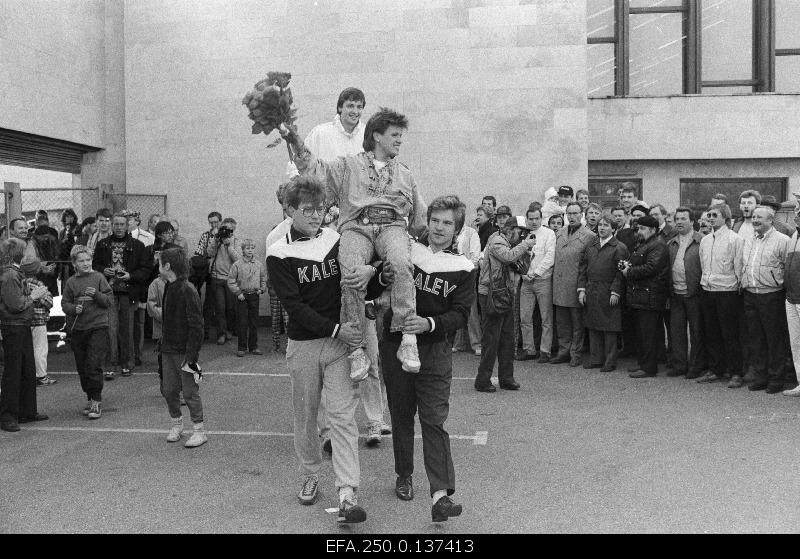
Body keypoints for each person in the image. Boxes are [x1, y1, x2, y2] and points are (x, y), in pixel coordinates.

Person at [288, 108, 428, 380]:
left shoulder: (405, 173)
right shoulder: (348, 165)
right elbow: (316, 170)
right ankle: (355, 348)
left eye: (401, 136)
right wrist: (293, 139)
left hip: (392, 227)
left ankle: (408, 338)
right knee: (351, 271)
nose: (400, 140)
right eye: (395, 135)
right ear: (376, 135)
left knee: (401, 262)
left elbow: (420, 216)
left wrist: (435, 242)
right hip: (356, 228)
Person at [266, 176, 373, 524]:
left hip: (340, 345)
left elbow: (361, 272)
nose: (316, 216)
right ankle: (310, 473)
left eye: (320, 209)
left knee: (342, 417)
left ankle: (347, 492)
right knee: (307, 414)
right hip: (304, 344)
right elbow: (293, 307)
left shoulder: (335, 239)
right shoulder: (278, 249)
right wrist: (338, 328)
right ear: (289, 210)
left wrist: (371, 269)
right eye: (307, 210)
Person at [372, 194, 475, 522]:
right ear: (427, 221)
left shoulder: (463, 267)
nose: (440, 228)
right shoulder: (405, 250)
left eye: (447, 223)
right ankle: (404, 474)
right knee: (401, 415)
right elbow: (372, 289)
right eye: (435, 220)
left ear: (457, 228)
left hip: (434, 351)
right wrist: (383, 278)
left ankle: (441, 494)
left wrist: (429, 323)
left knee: (433, 419)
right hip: (395, 342)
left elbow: (460, 314)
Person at [474, 216, 536, 392]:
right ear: (510, 229)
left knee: (507, 339)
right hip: (490, 294)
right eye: (521, 232)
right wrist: (525, 246)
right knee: (491, 339)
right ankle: (482, 380)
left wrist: (528, 252)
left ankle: (506, 378)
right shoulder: (496, 241)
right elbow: (508, 258)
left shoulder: (512, 244)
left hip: (505, 294)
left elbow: (522, 269)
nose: (523, 236)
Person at [92, 213, 152, 378]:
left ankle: (127, 363)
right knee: (110, 329)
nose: (119, 227)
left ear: (128, 226)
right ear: (112, 225)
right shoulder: (102, 244)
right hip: (108, 293)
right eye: (116, 224)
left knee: (127, 330)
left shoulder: (138, 245)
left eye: (122, 224)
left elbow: (145, 269)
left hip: (128, 293)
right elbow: (95, 264)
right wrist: (103, 270)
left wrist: (130, 276)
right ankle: (110, 365)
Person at [158, 247, 207, 448]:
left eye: (160, 262)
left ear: (167, 266)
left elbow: (197, 324)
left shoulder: (187, 288)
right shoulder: (169, 286)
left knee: (189, 392)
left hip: (184, 351)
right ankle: (177, 424)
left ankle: (198, 431)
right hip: (168, 349)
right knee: (168, 390)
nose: (158, 265)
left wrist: (191, 355)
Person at [0, 238, 50, 432]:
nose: (29, 253)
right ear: (18, 253)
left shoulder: (14, 272)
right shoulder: (10, 275)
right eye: (26, 250)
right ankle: (8, 415)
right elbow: (15, 304)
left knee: (27, 369)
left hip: (21, 324)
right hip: (13, 325)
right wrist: (34, 296)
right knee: (14, 371)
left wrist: (30, 292)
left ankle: (26, 410)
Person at [741, 205, 789, 393]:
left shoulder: (782, 240)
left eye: (760, 217)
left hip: (772, 296)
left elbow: (788, 266)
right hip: (751, 295)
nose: (755, 220)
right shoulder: (749, 240)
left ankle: (776, 378)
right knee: (756, 339)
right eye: (754, 217)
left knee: (774, 339)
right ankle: (761, 376)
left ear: (771, 220)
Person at [61, 245, 112, 419]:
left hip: (98, 326)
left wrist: (97, 295)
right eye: (81, 260)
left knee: (93, 364)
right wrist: (74, 308)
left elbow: (108, 301)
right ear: (74, 263)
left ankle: (97, 401)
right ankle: (89, 397)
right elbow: (64, 304)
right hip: (78, 329)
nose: (85, 263)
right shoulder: (71, 282)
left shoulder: (99, 277)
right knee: (82, 367)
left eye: (88, 260)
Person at [696, 203, 744, 384]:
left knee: (730, 334)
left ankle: (736, 372)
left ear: (725, 217)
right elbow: (703, 265)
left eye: (714, 215)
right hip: (707, 291)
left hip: (727, 292)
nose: (710, 218)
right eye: (709, 215)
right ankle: (716, 369)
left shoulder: (735, 240)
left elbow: (739, 266)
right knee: (712, 332)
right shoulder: (705, 240)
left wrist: (737, 288)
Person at [578, 215, 628, 371]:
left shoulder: (619, 247)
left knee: (609, 327)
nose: (602, 228)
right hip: (592, 289)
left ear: (613, 229)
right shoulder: (591, 245)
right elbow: (583, 268)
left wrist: (615, 292)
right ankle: (596, 359)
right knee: (593, 325)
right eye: (600, 225)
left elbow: (621, 273)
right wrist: (581, 289)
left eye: (606, 225)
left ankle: (610, 361)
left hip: (608, 290)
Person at [621, 215, 669, 379]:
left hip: (650, 296)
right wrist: (628, 265)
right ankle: (643, 364)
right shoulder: (645, 244)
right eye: (638, 228)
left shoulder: (658, 245)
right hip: (641, 295)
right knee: (642, 334)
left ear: (653, 230)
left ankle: (649, 368)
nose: (638, 231)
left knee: (648, 334)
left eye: (642, 229)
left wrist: (629, 272)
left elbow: (651, 268)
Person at [551, 202, 596, 367]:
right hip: (559, 283)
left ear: (581, 214)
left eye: (575, 213)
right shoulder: (559, 233)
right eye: (569, 213)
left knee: (577, 323)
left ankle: (575, 353)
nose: (571, 216)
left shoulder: (589, 235)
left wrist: (583, 286)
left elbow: (588, 264)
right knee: (561, 322)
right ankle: (563, 351)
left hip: (576, 284)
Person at [666, 207, 707, 379]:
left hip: (695, 294)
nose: (680, 222)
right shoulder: (671, 243)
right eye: (677, 219)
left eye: (684, 219)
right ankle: (679, 365)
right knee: (677, 332)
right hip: (676, 293)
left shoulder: (702, 241)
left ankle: (696, 366)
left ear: (692, 222)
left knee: (697, 332)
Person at [518, 206, 556, 363]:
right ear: (527, 219)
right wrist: (522, 273)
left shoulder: (549, 234)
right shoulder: (522, 234)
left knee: (546, 317)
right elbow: (517, 255)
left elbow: (550, 257)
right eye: (531, 219)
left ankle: (545, 351)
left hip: (542, 280)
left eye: (536, 218)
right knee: (525, 317)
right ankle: (529, 349)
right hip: (526, 282)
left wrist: (535, 273)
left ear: (541, 219)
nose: (533, 222)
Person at [124, 210, 154, 368]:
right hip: (124, 285)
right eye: (125, 219)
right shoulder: (118, 238)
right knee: (126, 322)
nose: (128, 222)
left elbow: (148, 264)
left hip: (140, 283)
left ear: (137, 221)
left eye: (130, 219)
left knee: (139, 323)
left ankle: (138, 354)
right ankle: (127, 354)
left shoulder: (148, 238)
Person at [227, 238, 266, 357]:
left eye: (252, 248)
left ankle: (253, 346)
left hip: (254, 296)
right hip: (242, 297)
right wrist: (238, 293)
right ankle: (242, 347)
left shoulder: (259, 265)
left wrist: (261, 289)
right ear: (243, 250)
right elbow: (231, 280)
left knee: (254, 322)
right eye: (247, 248)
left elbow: (263, 278)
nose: (250, 250)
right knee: (242, 322)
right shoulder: (237, 265)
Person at [206, 217, 241, 345]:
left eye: (229, 229)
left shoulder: (236, 241)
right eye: (224, 228)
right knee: (220, 307)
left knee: (230, 308)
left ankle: (229, 330)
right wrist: (216, 241)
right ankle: (221, 333)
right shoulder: (217, 238)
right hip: (217, 278)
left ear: (234, 229)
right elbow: (209, 253)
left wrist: (229, 246)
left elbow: (238, 259)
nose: (227, 231)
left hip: (231, 279)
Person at [265, 188, 292, 352]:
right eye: (284, 209)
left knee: (290, 317)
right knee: (277, 316)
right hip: (278, 285)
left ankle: (291, 344)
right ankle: (277, 342)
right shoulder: (275, 235)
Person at [21, 259, 55, 387]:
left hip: (24, 320)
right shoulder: (38, 284)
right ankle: (41, 376)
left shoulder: (20, 282)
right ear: (36, 270)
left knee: (27, 348)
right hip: (39, 320)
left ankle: (28, 375)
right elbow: (49, 302)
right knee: (40, 349)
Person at [452, 219, 481, 355]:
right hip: (453, 275)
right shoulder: (452, 232)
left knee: (471, 309)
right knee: (456, 307)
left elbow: (475, 256)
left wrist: (465, 269)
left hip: (467, 274)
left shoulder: (472, 233)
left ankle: (476, 344)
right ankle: (459, 343)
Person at [195, 211, 222, 340]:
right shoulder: (205, 235)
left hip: (218, 270)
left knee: (214, 300)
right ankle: (204, 330)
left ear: (220, 221)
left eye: (216, 222)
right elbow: (199, 251)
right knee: (205, 300)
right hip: (206, 269)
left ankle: (217, 330)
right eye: (211, 222)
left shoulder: (223, 235)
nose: (213, 224)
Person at [783, 196, 800, 397]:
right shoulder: (794, 235)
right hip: (791, 297)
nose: (796, 213)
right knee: (796, 343)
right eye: (796, 208)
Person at [58, 208, 79, 285]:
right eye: (67, 216)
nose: (69, 218)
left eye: (71, 216)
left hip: (76, 260)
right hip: (65, 261)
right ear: (64, 218)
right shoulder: (62, 232)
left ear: (74, 217)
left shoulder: (78, 229)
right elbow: (59, 246)